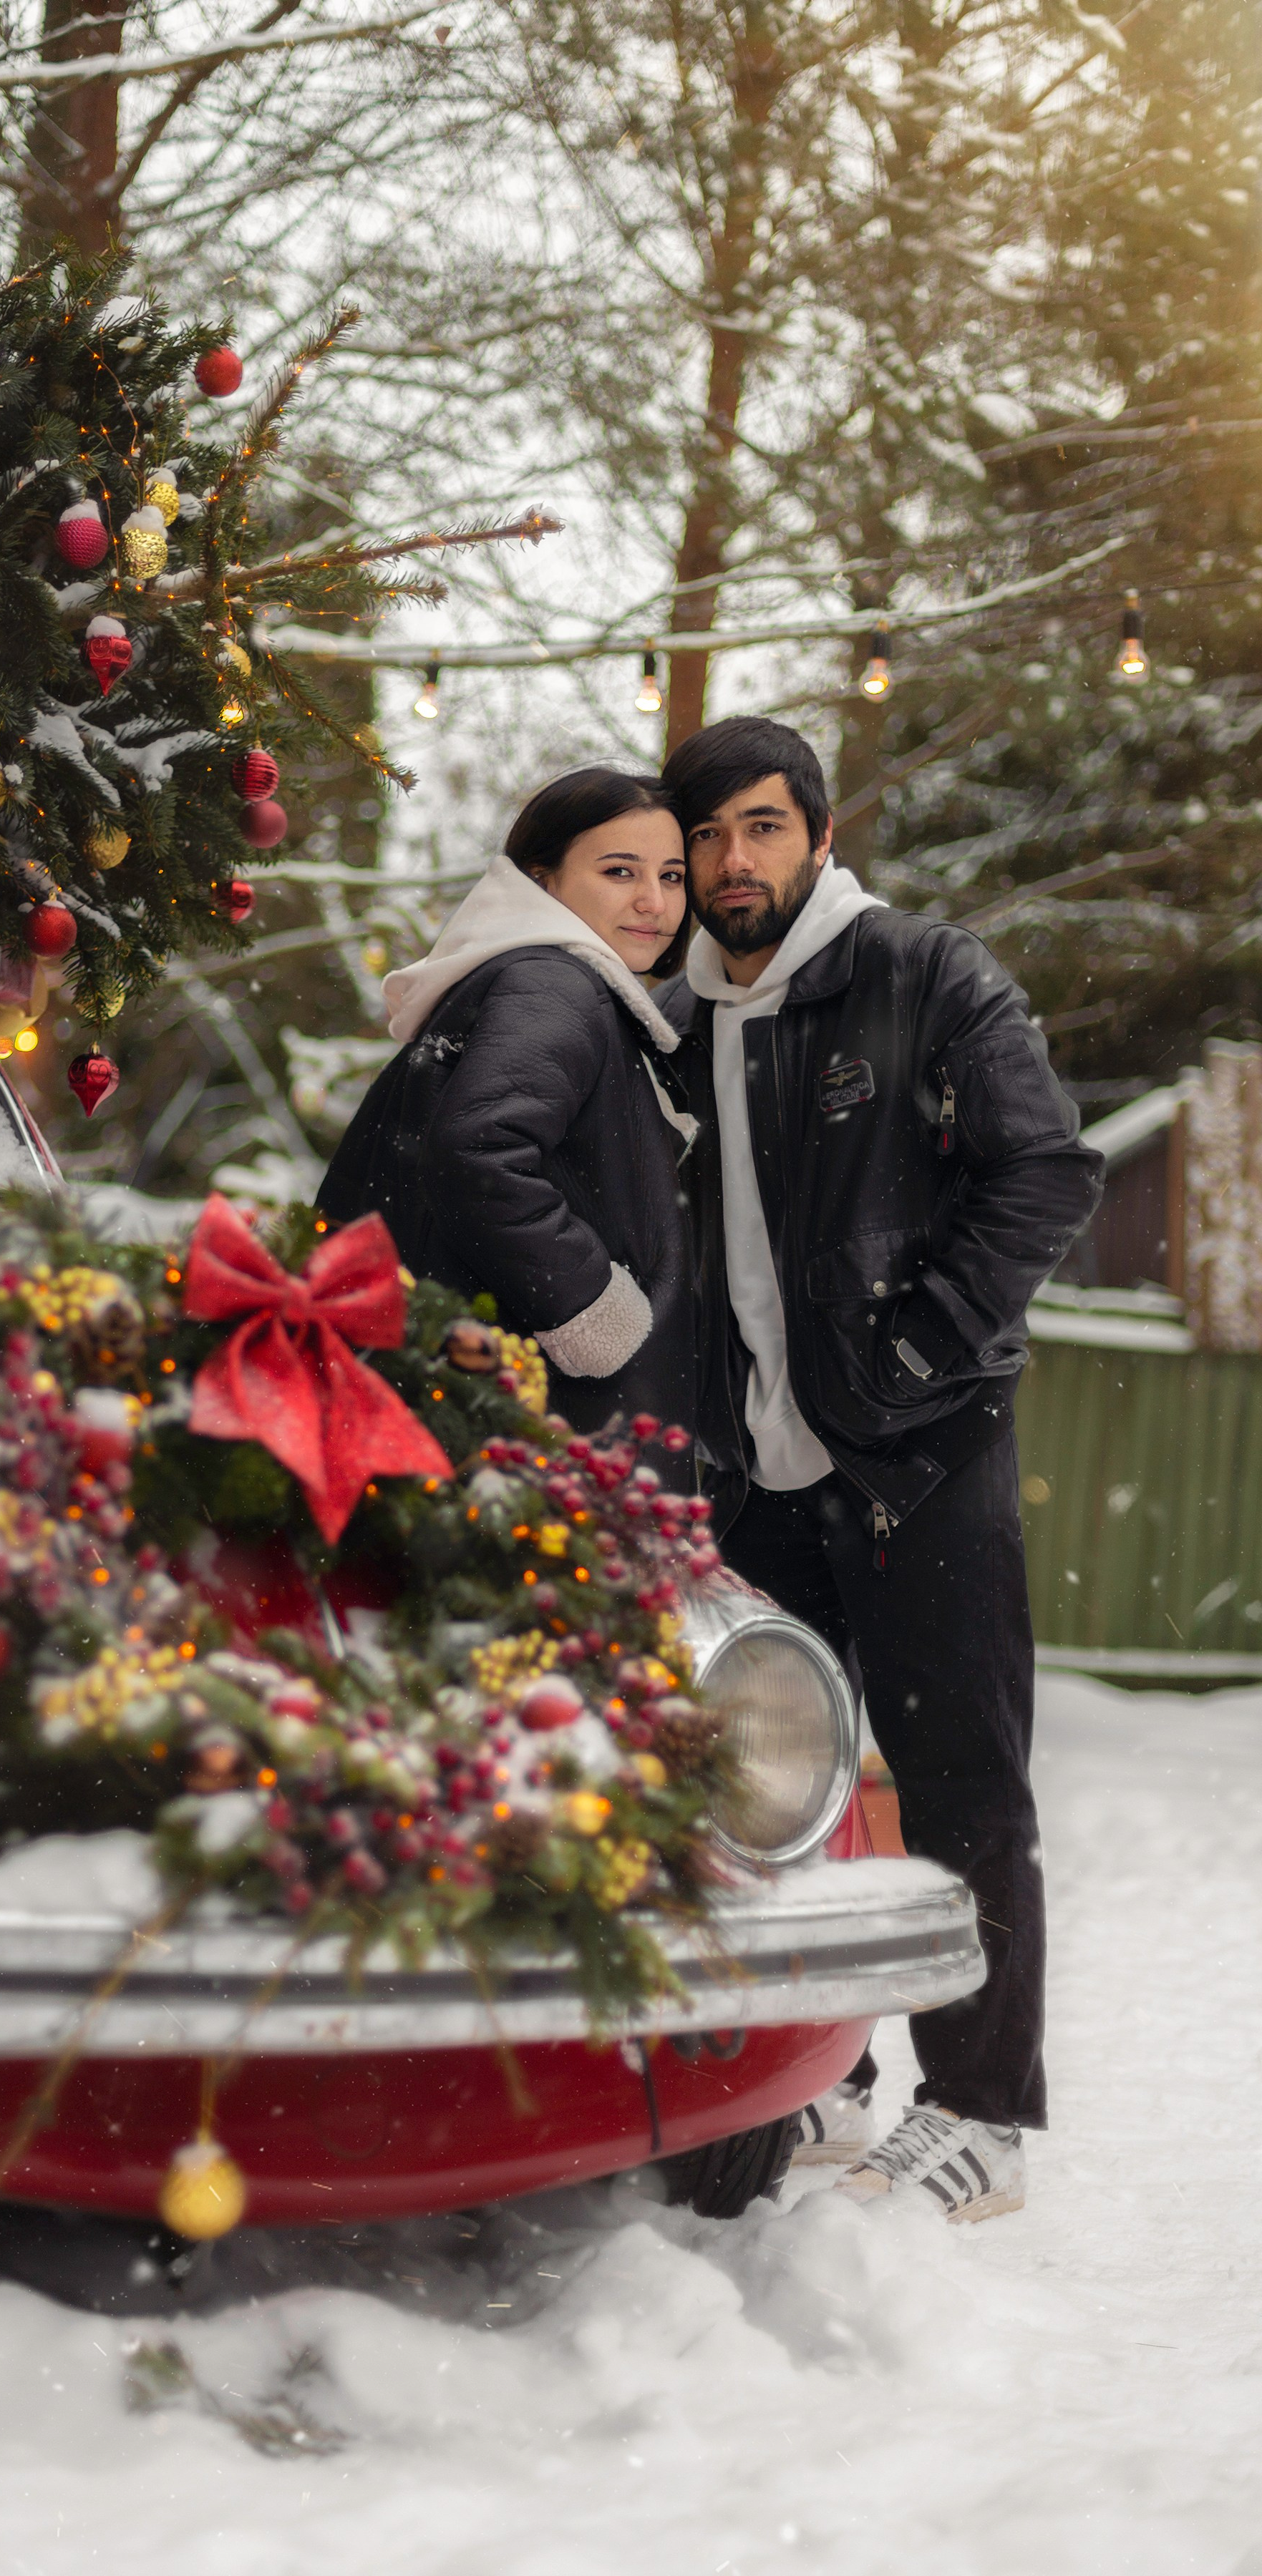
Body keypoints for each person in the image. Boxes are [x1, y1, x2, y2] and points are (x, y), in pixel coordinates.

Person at [656, 713, 1102, 2222]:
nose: (734, 862)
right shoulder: (671, 1017)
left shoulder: (918, 975)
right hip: (758, 1472)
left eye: (765, 828)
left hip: (922, 1455)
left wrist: (920, 1355)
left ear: (821, 838)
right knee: (783, 1785)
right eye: (709, 835)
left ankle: (983, 2114)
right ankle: (824, 2079)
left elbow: (1045, 1169)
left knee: (964, 1780)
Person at [319, 767, 699, 1435]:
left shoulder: (527, 977)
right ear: (541, 879)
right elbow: (480, 1149)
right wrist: (593, 1309)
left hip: (454, 1385)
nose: (654, 902)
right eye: (620, 872)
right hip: (519, 1405)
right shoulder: (556, 983)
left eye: (671, 877)